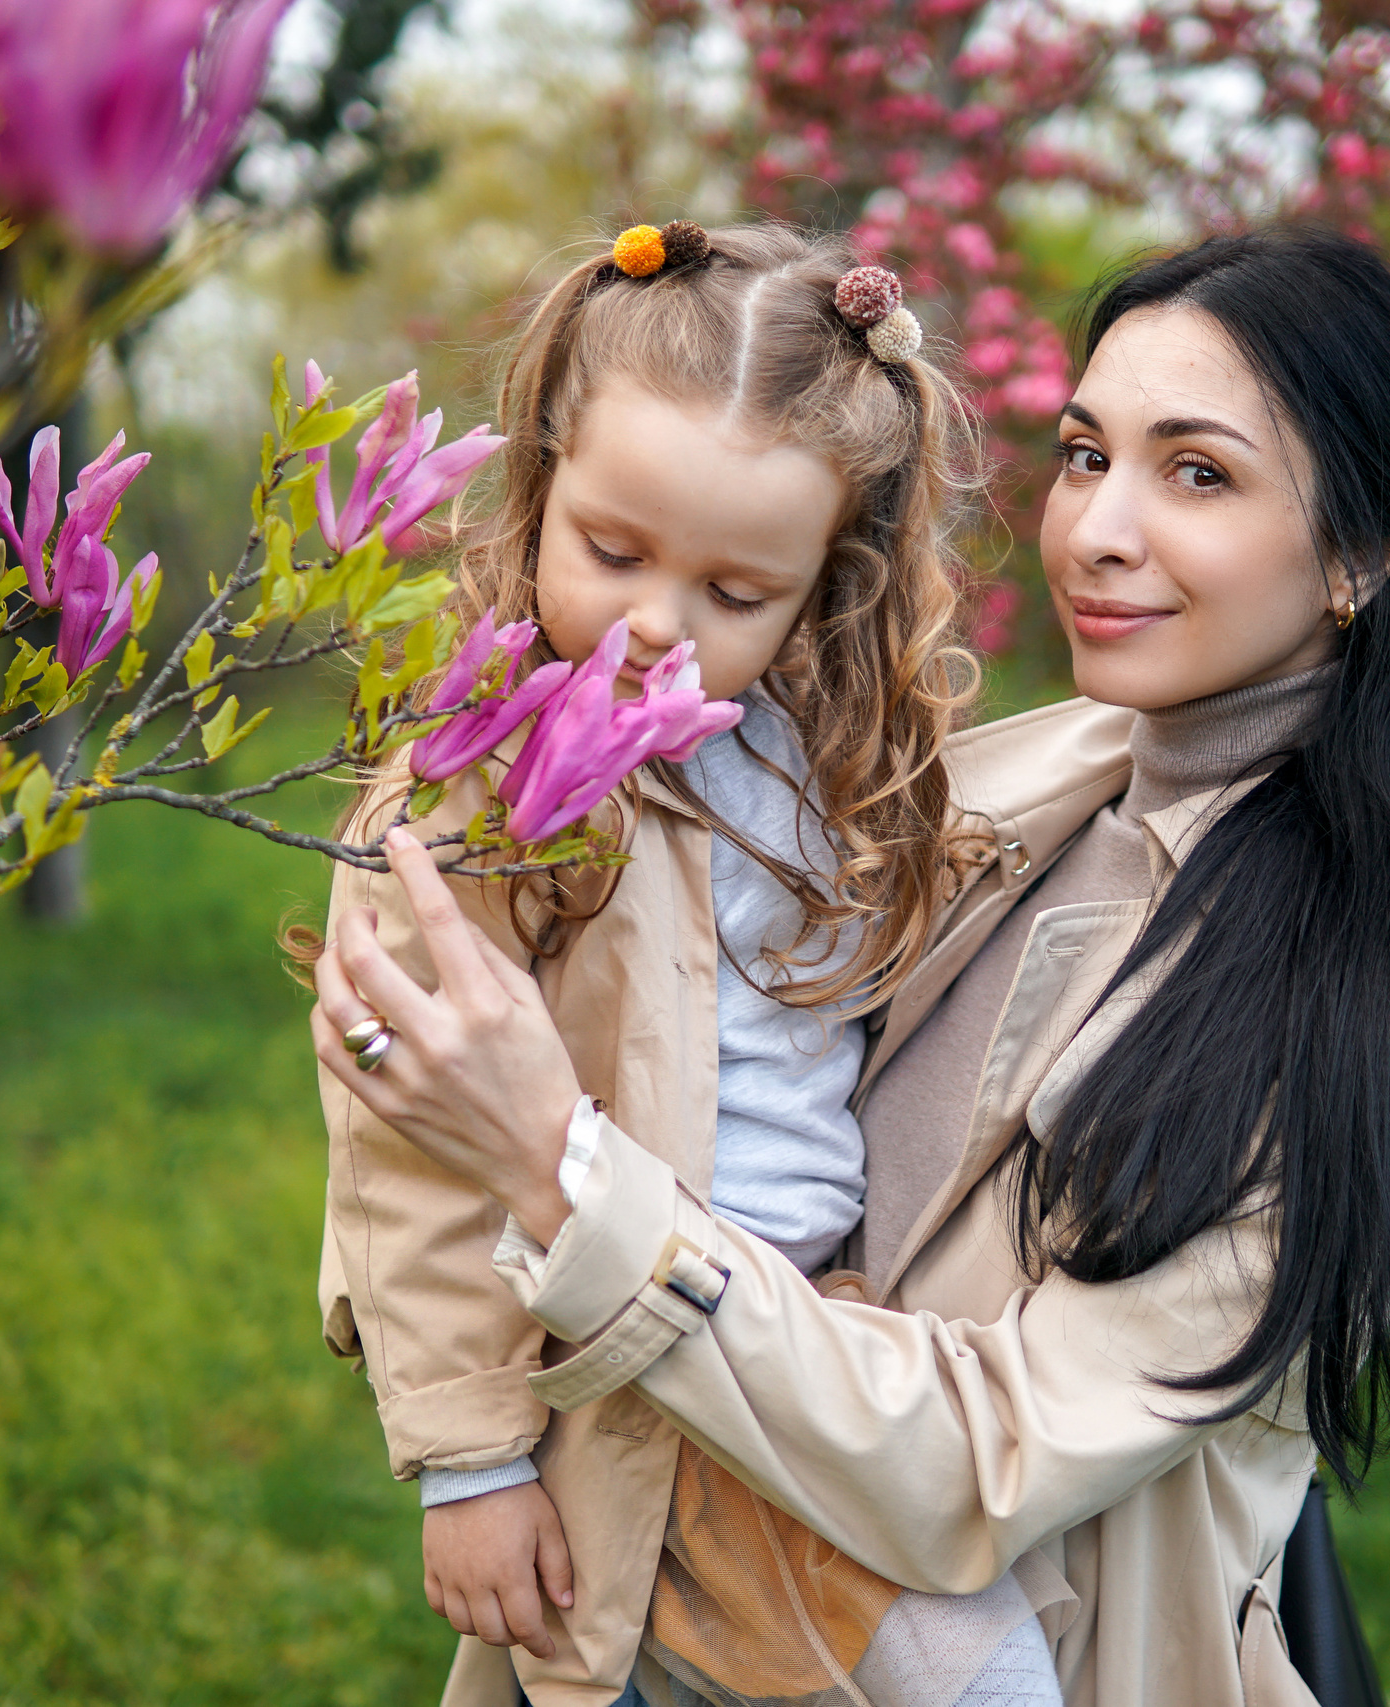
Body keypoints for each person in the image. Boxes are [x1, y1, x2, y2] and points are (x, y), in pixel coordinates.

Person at [316, 225, 1390, 1707]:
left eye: (1196, 473)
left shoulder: (1389, 989)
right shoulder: (977, 793)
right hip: (656, 1569)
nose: (1097, 533)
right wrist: (470, 1441)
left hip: (1023, 1647)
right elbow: (440, 1118)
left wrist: (558, 1166)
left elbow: (988, 1457)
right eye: (1086, 455)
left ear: (1358, 555)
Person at [312, 220, 1068, 1705]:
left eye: (736, 594)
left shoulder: (812, 754)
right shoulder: (490, 789)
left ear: (815, 591)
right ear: (539, 492)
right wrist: (468, 1461)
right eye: (612, 552)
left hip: (818, 1354)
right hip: (641, 1376)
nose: (660, 624)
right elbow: (402, 1144)